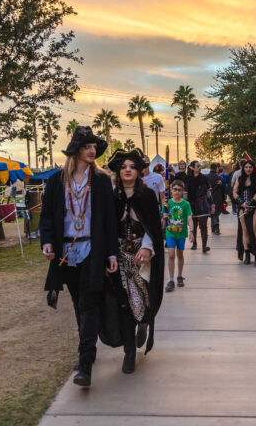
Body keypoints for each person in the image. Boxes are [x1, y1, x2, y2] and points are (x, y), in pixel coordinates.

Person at [41, 126, 118, 388]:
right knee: (77, 302)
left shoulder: (102, 181)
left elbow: (109, 220)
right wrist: (48, 242)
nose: (92, 151)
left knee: (88, 304)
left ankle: (85, 363)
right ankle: (88, 351)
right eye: (87, 146)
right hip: (66, 252)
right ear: (76, 150)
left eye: (94, 147)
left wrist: (110, 252)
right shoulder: (55, 182)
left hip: (92, 251)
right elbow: (48, 217)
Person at [107, 148, 165, 373]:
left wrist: (148, 249)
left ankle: (144, 323)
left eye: (132, 167)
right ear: (118, 172)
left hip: (143, 257)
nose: (128, 170)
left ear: (139, 171)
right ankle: (129, 352)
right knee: (124, 303)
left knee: (143, 300)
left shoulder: (147, 195)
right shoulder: (113, 197)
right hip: (120, 257)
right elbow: (108, 228)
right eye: (124, 167)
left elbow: (153, 227)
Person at [233, 159, 256, 266]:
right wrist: (242, 203)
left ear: (253, 168)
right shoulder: (239, 178)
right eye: (246, 167)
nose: (248, 169)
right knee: (245, 231)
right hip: (242, 208)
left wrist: (250, 204)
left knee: (254, 230)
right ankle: (247, 255)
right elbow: (234, 192)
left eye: (250, 167)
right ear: (243, 168)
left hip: (255, 208)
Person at [163, 180, 193, 292]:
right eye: (174, 189)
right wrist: (164, 216)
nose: (177, 191)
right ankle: (171, 280)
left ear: (182, 191)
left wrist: (192, 231)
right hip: (170, 232)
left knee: (180, 255)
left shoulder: (186, 204)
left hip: (181, 233)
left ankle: (179, 275)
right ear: (171, 190)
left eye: (179, 190)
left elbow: (189, 217)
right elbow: (162, 221)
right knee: (171, 254)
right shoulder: (167, 203)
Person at [185, 161, 214, 253]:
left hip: (202, 205)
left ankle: (204, 247)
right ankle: (194, 244)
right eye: (197, 166)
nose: (199, 167)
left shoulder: (205, 178)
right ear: (192, 168)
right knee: (193, 226)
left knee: (204, 226)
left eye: (200, 166)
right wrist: (185, 206)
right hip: (191, 205)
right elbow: (185, 194)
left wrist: (212, 204)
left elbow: (208, 194)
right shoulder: (187, 179)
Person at [206, 163, 225, 234]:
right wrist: (224, 199)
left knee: (212, 212)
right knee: (216, 212)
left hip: (209, 196)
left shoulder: (206, 177)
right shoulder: (220, 178)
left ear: (209, 167)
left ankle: (213, 228)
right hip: (218, 197)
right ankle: (216, 228)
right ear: (217, 168)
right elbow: (223, 190)